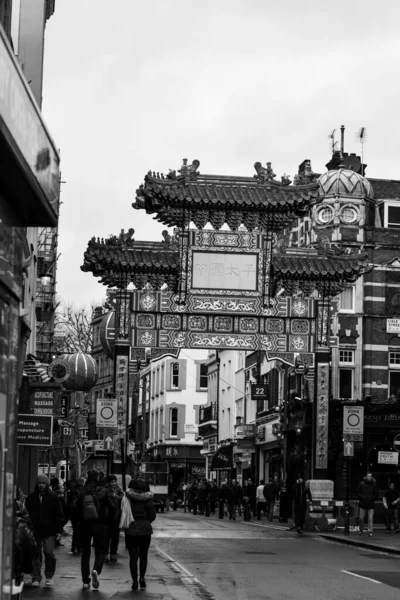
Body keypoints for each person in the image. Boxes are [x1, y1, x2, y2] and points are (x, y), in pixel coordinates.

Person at [25, 474, 64, 587]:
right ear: (37, 484)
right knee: (36, 555)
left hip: (49, 531)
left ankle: (49, 576)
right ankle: (36, 577)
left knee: (49, 553)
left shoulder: (53, 497)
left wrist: (58, 531)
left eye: (43, 483)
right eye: (39, 483)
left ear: (47, 484)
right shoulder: (31, 497)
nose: (41, 485)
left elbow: (59, 515)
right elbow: (27, 513)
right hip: (35, 530)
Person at [78, 469, 108, 590]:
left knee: (85, 553)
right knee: (100, 550)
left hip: (85, 525)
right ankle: (96, 569)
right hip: (99, 524)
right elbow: (110, 507)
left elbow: (76, 508)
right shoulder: (102, 490)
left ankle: (85, 581)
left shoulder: (83, 491)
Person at [125, 477, 156, 591]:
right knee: (143, 556)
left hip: (131, 529)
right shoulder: (147, 500)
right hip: (145, 530)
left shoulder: (127, 499)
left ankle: (134, 582)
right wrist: (145, 521)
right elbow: (152, 516)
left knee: (133, 557)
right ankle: (142, 578)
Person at [104, 474, 123, 561]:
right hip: (108, 516)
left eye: (115, 481)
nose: (113, 483)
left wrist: (118, 497)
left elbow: (122, 500)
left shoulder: (119, 490)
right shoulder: (106, 490)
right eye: (111, 482)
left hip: (117, 516)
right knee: (107, 535)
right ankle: (105, 552)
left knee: (115, 536)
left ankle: (113, 553)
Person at [357, 472, 378, 537]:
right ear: (366, 476)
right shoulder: (362, 484)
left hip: (370, 504)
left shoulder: (374, 485)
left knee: (370, 518)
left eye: (370, 476)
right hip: (362, 504)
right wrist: (362, 497)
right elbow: (358, 492)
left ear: (371, 477)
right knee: (361, 518)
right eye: (368, 476)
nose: (369, 477)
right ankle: (361, 529)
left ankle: (370, 531)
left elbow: (376, 494)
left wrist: (372, 498)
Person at [65, 480, 82, 554]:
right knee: (78, 531)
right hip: (78, 513)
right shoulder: (77, 491)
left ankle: (74, 547)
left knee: (76, 531)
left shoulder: (71, 492)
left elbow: (72, 504)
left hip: (74, 514)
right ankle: (78, 547)